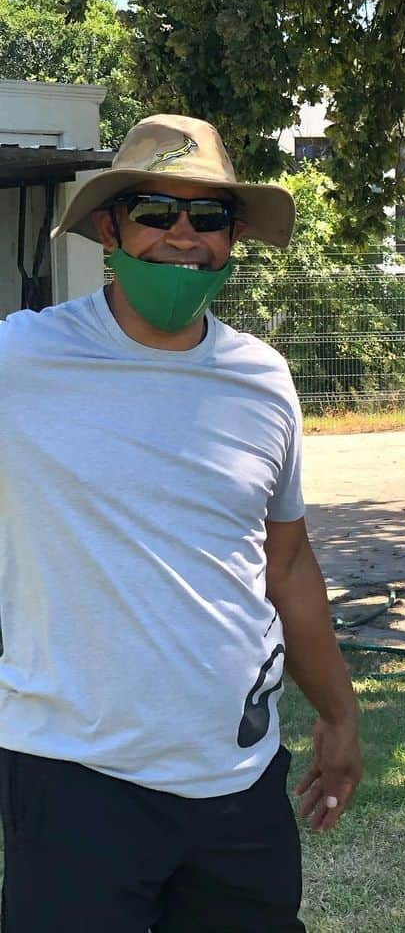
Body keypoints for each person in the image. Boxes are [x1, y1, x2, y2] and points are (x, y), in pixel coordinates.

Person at [0, 115, 363, 931]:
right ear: (109, 227)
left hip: (237, 780)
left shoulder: (262, 380)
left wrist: (339, 715)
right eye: (156, 211)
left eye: (208, 218)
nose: (182, 238)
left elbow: (290, 566)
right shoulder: (20, 362)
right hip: (73, 778)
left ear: (233, 238)